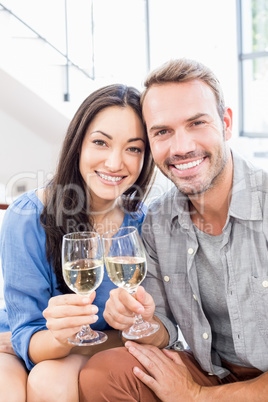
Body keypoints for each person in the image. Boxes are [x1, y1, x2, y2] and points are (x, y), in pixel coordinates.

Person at [79, 58, 268, 401]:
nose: (181, 148)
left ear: (225, 124)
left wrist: (195, 396)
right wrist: (140, 320)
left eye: (196, 123)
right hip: (211, 369)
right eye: (163, 132)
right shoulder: (157, 221)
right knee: (104, 373)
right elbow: (163, 329)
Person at [0, 83, 155, 402]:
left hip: (79, 350)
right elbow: (27, 338)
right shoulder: (28, 216)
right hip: (20, 346)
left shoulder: (142, 225)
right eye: (101, 142)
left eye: (133, 148)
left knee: (50, 383)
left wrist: (81, 340)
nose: (115, 163)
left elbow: (149, 333)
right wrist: (54, 338)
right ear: (78, 144)